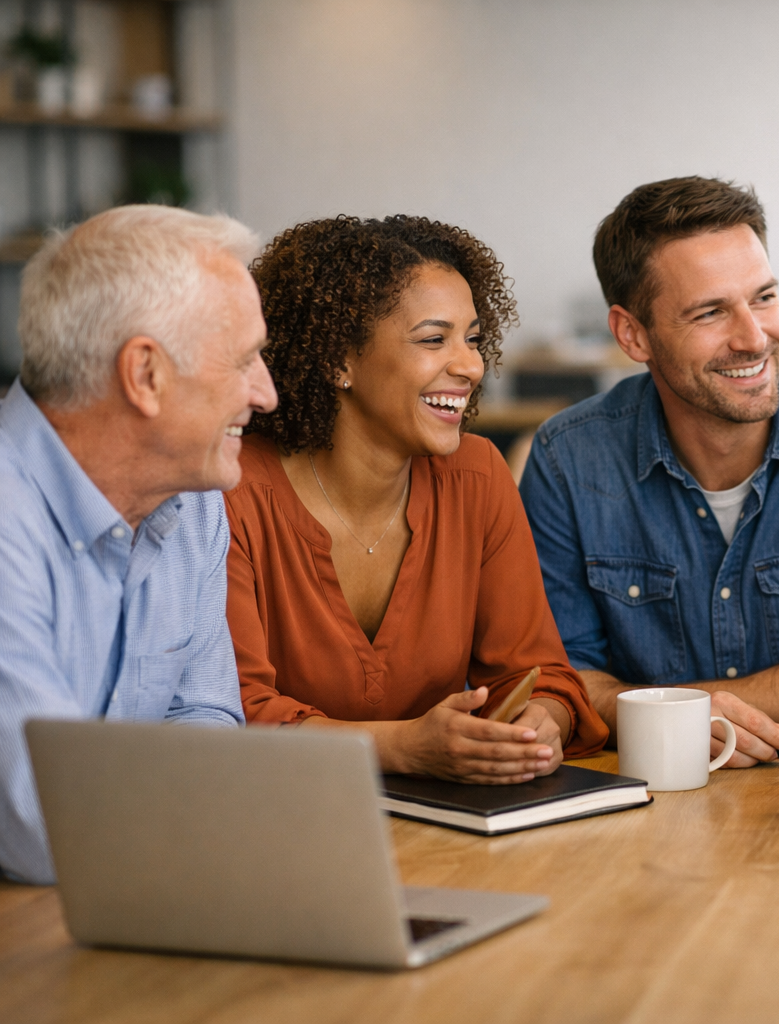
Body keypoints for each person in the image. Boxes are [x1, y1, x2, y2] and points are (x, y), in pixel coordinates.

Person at [518, 177, 779, 765]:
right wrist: (691, 711)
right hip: (645, 808)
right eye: (710, 312)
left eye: (764, 297)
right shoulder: (568, 458)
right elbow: (559, 681)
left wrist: (666, 710)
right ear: (632, 334)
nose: (754, 337)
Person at [225, 215, 607, 782]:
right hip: (279, 823)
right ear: (338, 359)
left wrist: (538, 723)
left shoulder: (477, 477)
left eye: (473, 338)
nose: (472, 366)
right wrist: (402, 747)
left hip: (451, 824)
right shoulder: (230, 492)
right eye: (434, 339)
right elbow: (231, 715)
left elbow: (539, 672)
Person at [0, 206, 275, 884]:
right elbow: (42, 826)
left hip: (122, 898)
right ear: (145, 374)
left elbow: (208, 721)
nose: (265, 393)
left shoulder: (195, 500)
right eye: (244, 361)